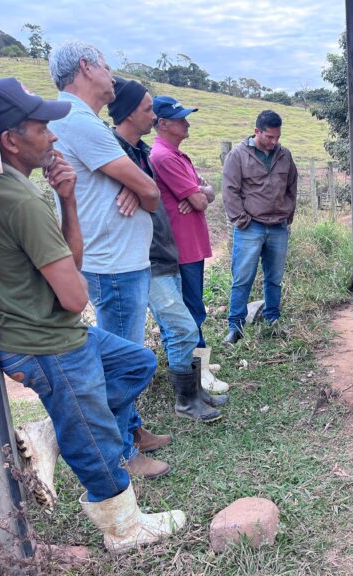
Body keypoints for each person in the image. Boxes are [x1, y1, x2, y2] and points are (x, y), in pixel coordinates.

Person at [0, 78, 185, 552]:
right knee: (96, 437)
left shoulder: (10, 189)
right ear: (11, 140)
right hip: (48, 341)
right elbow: (74, 296)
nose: (52, 135)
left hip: (54, 332)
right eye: (41, 128)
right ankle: (123, 529)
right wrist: (77, 281)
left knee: (137, 363)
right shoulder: (17, 201)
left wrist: (68, 199)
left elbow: (70, 261)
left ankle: (56, 429)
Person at [47, 40, 170, 478]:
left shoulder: (82, 120)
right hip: (113, 263)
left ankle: (131, 429)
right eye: (105, 65)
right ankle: (120, 452)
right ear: (85, 67)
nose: (111, 74)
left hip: (118, 259)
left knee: (126, 353)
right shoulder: (76, 119)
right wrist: (138, 188)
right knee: (123, 361)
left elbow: (145, 191)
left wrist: (136, 189)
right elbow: (151, 192)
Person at [107, 77, 226, 422]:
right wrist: (154, 193)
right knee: (183, 325)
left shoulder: (144, 154)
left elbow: (199, 193)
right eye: (149, 110)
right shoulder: (125, 153)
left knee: (186, 322)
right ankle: (184, 399)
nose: (153, 116)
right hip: (147, 257)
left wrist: (190, 192)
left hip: (166, 251)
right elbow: (191, 198)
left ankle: (193, 392)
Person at [149, 95, 229, 394]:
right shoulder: (165, 157)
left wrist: (199, 191)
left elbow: (207, 193)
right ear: (163, 123)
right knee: (190, 311)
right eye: (180, 119)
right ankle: (197, 372)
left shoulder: (176, 155)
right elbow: (200, 200)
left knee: (193, 308)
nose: (186, 123)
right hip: (180, 247)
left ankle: (200, 362)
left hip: (190, 244)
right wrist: (198, 193)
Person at [221, 110, 298, 344]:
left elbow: (292, 186)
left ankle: (272, 319)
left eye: (277, 137)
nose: (274, 142)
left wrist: (288, 213)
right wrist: (241, 220)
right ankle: (235, 326)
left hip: (278, 227)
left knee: (274, 277)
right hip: (250, 227)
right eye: (269, 137)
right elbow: (229, 191)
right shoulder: (237, 155)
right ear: (257, 131)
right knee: (242, 278)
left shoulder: (284, 155)